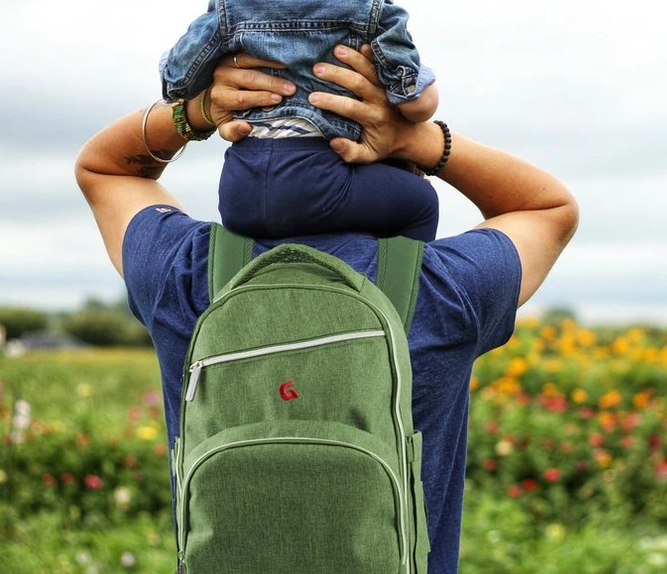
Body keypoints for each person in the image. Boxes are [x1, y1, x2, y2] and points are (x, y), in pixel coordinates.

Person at [74, 45, 578, 573]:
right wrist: (421, 139)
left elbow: (106, 170)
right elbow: (546, 208)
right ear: (393, 170)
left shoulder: (185, 273)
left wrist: (196, 112)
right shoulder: (446, 287)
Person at [159, 0, 440, 242]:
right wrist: (424, 91)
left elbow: (178, 80)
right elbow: (414, 103)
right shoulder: (373, 8)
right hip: (321, 182)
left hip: (239, 188)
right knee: (420, 201)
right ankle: (392, 295)